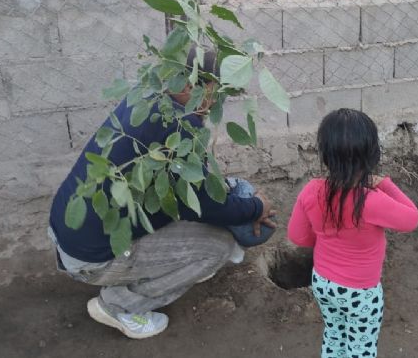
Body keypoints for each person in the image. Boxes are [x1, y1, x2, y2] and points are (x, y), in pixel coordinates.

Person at [48, 50, 277, 339]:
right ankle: (119, 306)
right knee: (219, 247)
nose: (216, 103)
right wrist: (255, 208)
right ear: (186, 87)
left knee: (225, 190)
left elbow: (192, 188)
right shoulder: (179, 127)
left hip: (68, 230)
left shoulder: (148, 98)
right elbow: (203, 206)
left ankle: (166, 265)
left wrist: (233, 197)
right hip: (90, 257)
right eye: (214, 93)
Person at [287, 109, 418, 358]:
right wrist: (385, 184)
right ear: (372, 155)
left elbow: (298, 237)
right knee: (360, 348)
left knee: (334, 334)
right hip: (361, 293)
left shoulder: (311, 190)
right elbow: (411, 219)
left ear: (325, 155)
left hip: (323, 283)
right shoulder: (372, 200)